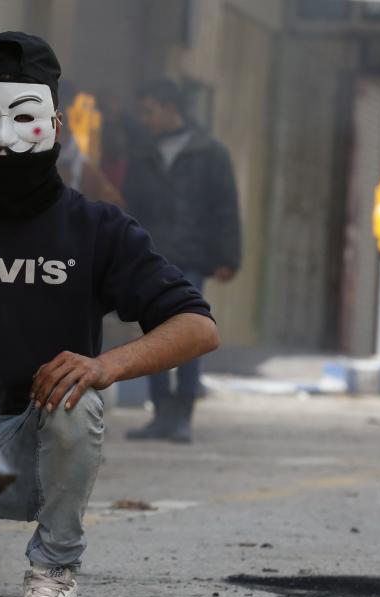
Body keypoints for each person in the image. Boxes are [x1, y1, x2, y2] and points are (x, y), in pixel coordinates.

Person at [0, 33, 220, 597]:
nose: (4, 134)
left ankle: (53, 572)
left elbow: (197, 326)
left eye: (23, 117)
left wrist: (105, 365)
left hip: (35, 448)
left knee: (78, 397)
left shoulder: (95, 226)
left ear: (55, 123)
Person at [123, 79, 241, 444]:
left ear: (170, 108)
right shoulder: (141, 153)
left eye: (149, 111)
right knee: (153, 334)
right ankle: (160, 413)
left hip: (192, 256)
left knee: (189, 333)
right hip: (152, 256)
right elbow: (130, 207)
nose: (145, 119)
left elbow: (226, 208)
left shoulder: (211, 153)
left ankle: (183, 415)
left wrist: (227, 257)